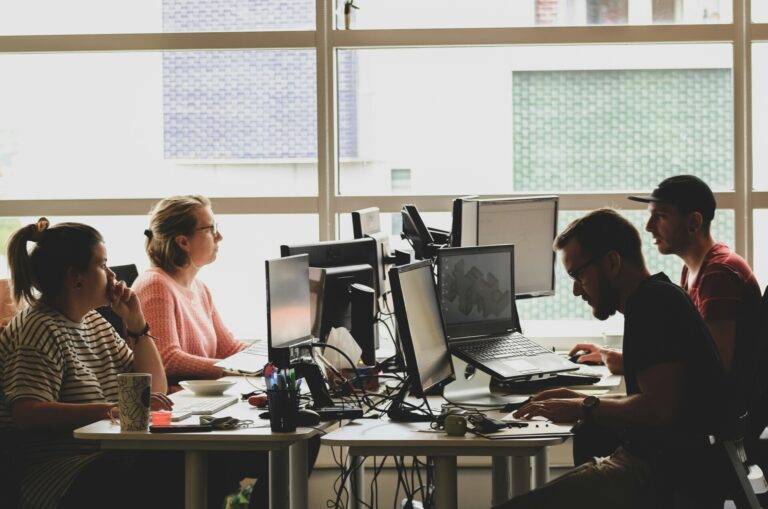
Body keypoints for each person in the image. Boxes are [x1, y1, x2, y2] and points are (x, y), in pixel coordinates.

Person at [495, 208, 728, 509]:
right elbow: (656, 399)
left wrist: (585, 406)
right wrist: (578, 399)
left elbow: (659, 409)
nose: (577, 290)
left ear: (612, 262)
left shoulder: (652, 304)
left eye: (578, 274)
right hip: (670, 470)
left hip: (661, 477)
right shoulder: (660, 295)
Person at [0, 218, 181, 509]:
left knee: (198, 460)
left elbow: (152, 392)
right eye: (102, 264)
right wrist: (110, 410)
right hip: (63, 475)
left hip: (110, 458)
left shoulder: (93, 321)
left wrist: (136, 325)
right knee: (175, 467)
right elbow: (27, 413)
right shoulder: (36, 329)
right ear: (76, 277)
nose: (111, 274)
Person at [133, 195, 247, 382]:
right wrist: (234, 369)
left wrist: (272, 359)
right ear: (183, 242)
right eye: (211, 229)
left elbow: (229, 349)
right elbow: (167, 359)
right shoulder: (155, 285)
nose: (219, 236)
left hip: (202, 397)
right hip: (175, 402)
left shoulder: (199, 288)